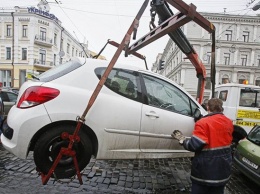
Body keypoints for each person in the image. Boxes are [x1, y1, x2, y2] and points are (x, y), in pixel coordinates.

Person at [172, 98, 234, 194]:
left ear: (208, 107)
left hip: (205, 172)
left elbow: (194, 145)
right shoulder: (229, 122)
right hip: (223, 169)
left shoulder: (203, 123)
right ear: (221, 108)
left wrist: (182, 140)